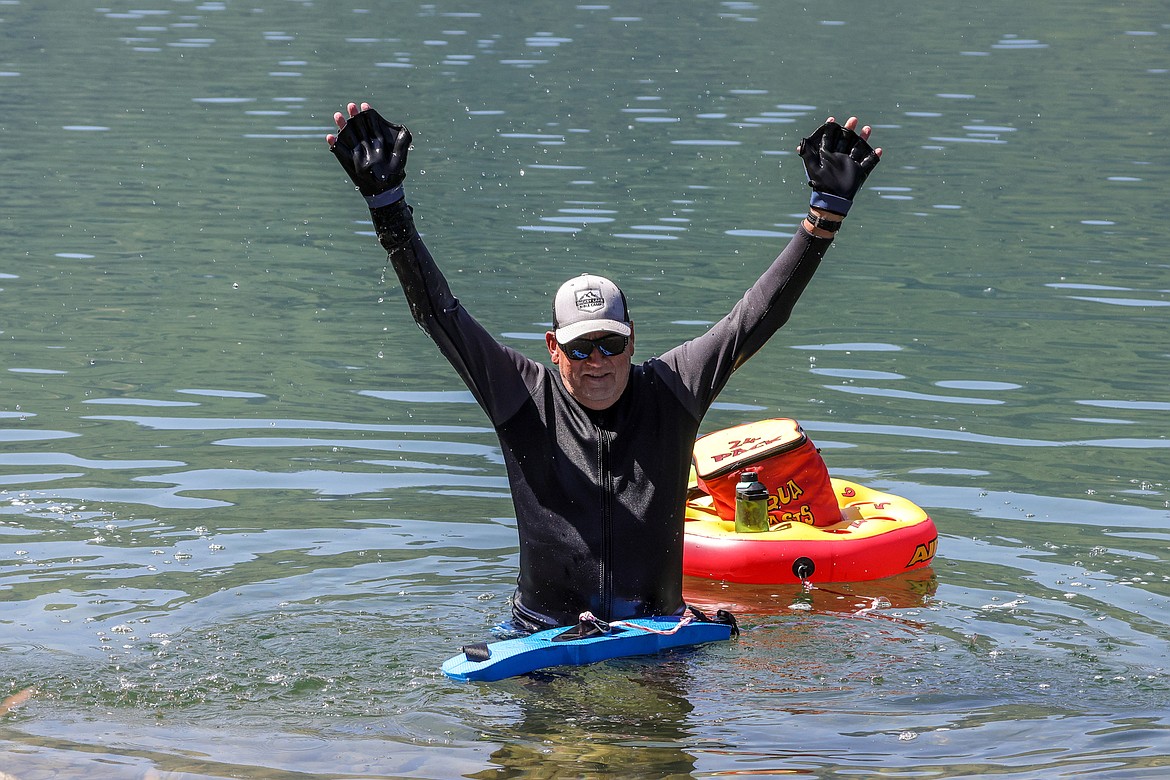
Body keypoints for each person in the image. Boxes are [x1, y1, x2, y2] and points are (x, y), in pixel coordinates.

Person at [326, 101, 881, 631]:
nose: (598, 362)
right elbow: (437, 312)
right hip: (545, 638)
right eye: (580, 347)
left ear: (632, 340)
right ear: (552, 347)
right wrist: (388, 208)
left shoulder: (672, 390)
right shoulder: (521, 397)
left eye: (611, 345)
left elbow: (757, 317)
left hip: (657, 634)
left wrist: (823, 216)